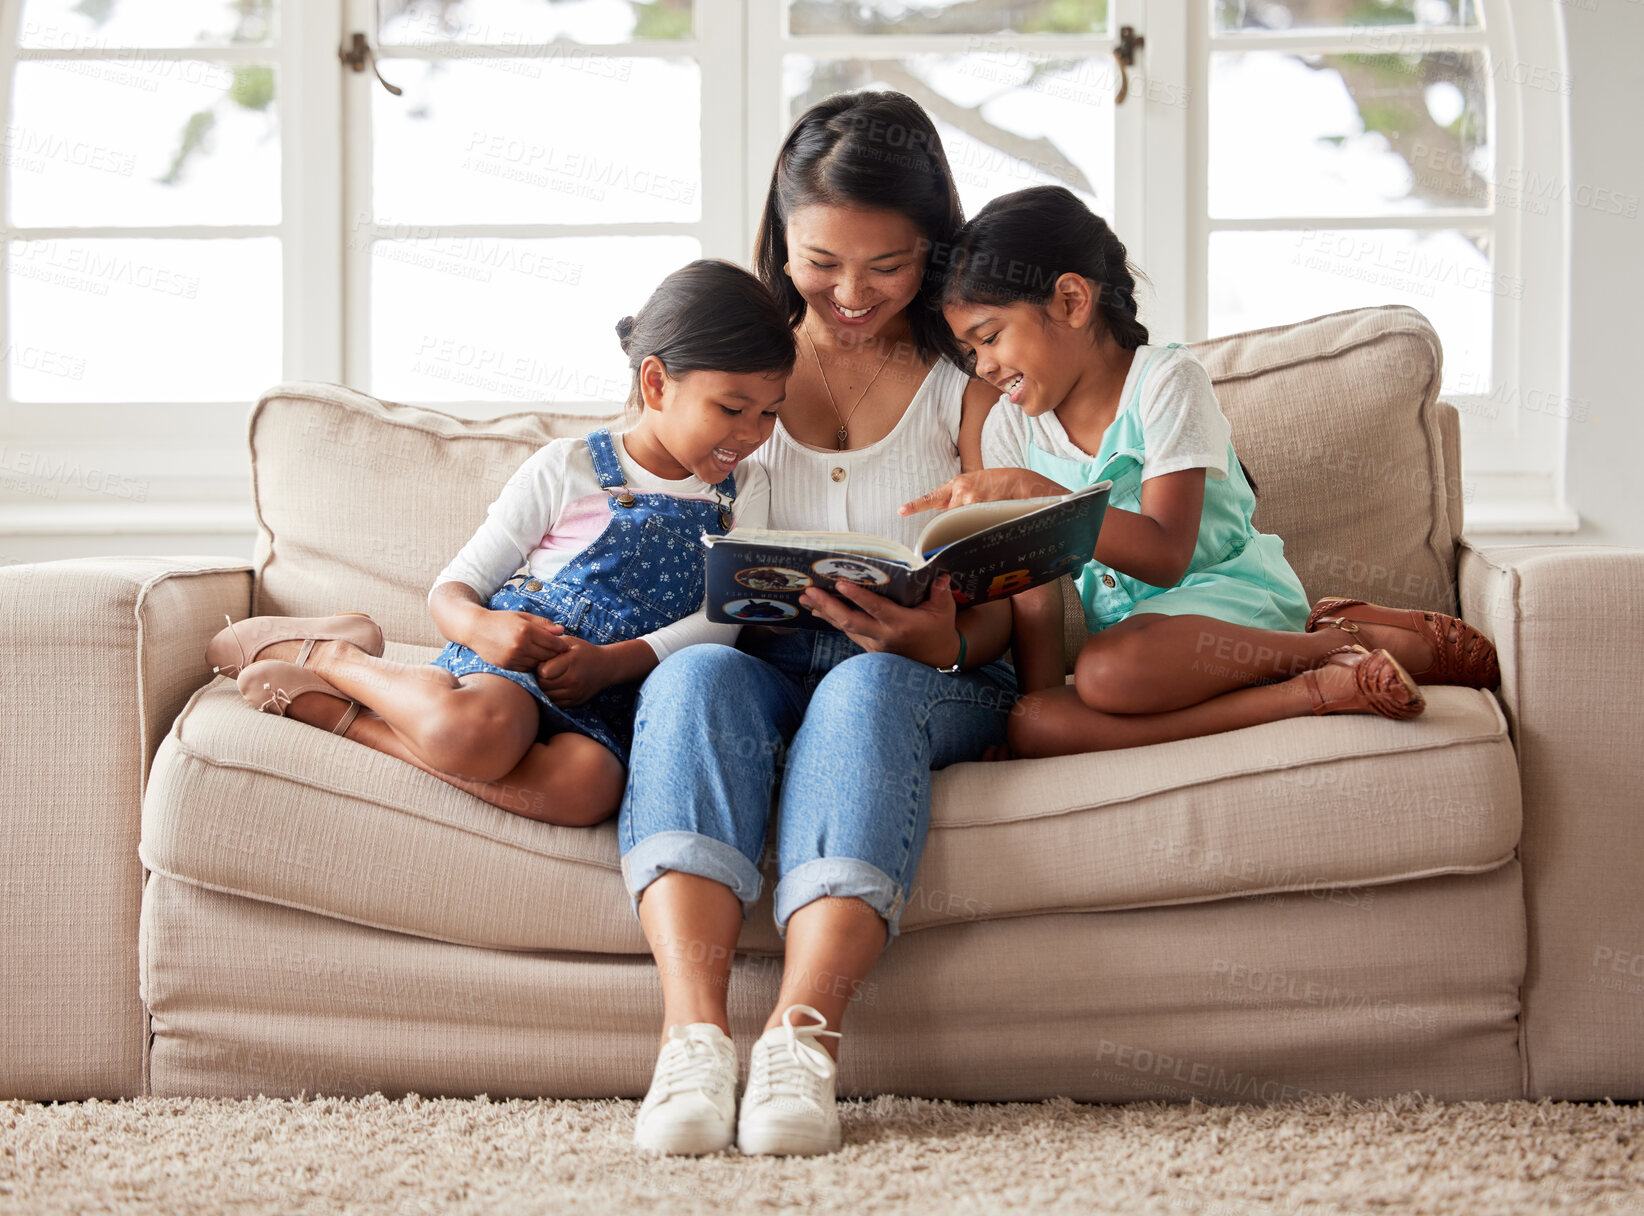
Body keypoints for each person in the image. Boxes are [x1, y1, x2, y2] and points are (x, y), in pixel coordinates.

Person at [621, 91, 1016, 1158]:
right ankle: (693, 1042)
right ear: (779, 241)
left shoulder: (967, 378)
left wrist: (948, 639)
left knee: (864, 686)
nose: (850, 296)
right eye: (820, 262)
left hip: (919, 669)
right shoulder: (729, 369)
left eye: (886, 267)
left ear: (932, 250)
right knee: (689, 682)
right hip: (750, 656)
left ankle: (802, 1041)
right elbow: (638, 506)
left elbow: (1023, 600)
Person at [904, 185, 1500, 759]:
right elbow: (1035, 599)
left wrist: (1039, 496)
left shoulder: (1166, 383)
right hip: (1147, 648)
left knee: (1107, 672)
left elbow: (1167, 554)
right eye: (970, 352)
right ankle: (1316, 689)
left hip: (1231, 607)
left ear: (1071, 301)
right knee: (1035, 724)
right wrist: (1038, 701)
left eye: (989, 338)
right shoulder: (1014, 427)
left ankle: (1334, 641)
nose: (982, 366)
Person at [203, 259, 793, 826]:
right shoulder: (568, 467)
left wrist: (610, 665)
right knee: (478, 734)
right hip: (514, 670)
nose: (752, 434)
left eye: (769, 413)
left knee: (586, 791)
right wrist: (484, 628)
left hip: (615, 693)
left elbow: (722, 619)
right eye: (732, 408)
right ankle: (333, 654)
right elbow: (454, 589)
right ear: (658, 382)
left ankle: (343, 717)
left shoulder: (748, 492)